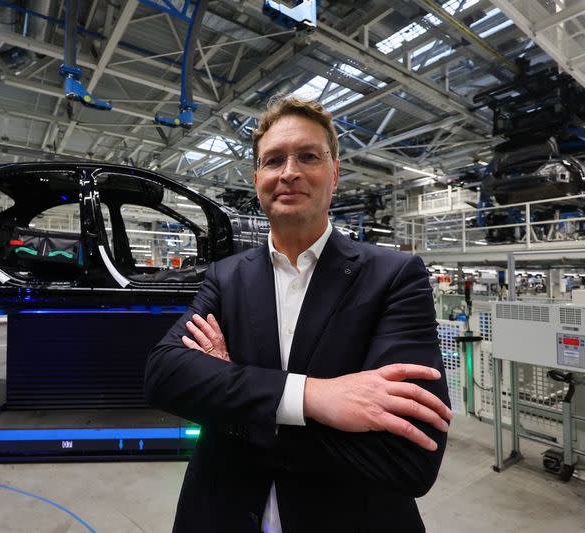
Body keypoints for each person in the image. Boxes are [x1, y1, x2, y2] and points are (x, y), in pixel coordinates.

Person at [145, 96, 452, 533]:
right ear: (257, 179)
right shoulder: (225, 277)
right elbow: (163, 375)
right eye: (273, 160)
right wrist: (313, 397)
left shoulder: (394, 276)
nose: (289, 172)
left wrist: (235, 404)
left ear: (334, 173)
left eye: (308, 156)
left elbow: (410, 459)